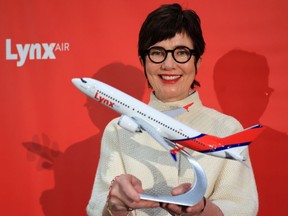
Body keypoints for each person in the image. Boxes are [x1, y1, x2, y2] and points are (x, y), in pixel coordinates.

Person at [87, 3, 258, 216]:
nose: (169, 65)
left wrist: (203, 210)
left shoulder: (227, 128)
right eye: (157, 53)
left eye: (182, 52)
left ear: (198, 61)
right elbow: (96, 207)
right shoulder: (117, 131)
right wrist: (114, 205)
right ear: (143, 61)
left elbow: (242, 207)